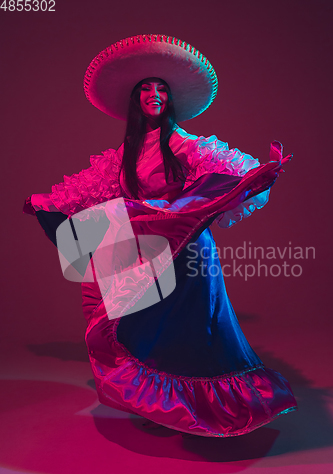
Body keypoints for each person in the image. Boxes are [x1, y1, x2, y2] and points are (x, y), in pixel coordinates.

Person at [24, 34, 297, 437]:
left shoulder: (180, 142)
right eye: (146, 89)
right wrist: (50, 203)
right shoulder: (125, 154)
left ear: (170, 100)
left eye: (162, 89)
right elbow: (85, 189)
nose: (154, 95)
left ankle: (210, 409)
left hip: (186, 249)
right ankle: (167, 406)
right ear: (136, 100)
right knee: (147, 328)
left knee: (195, 332)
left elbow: (231, 170)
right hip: (147, 254)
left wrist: (254, 176)